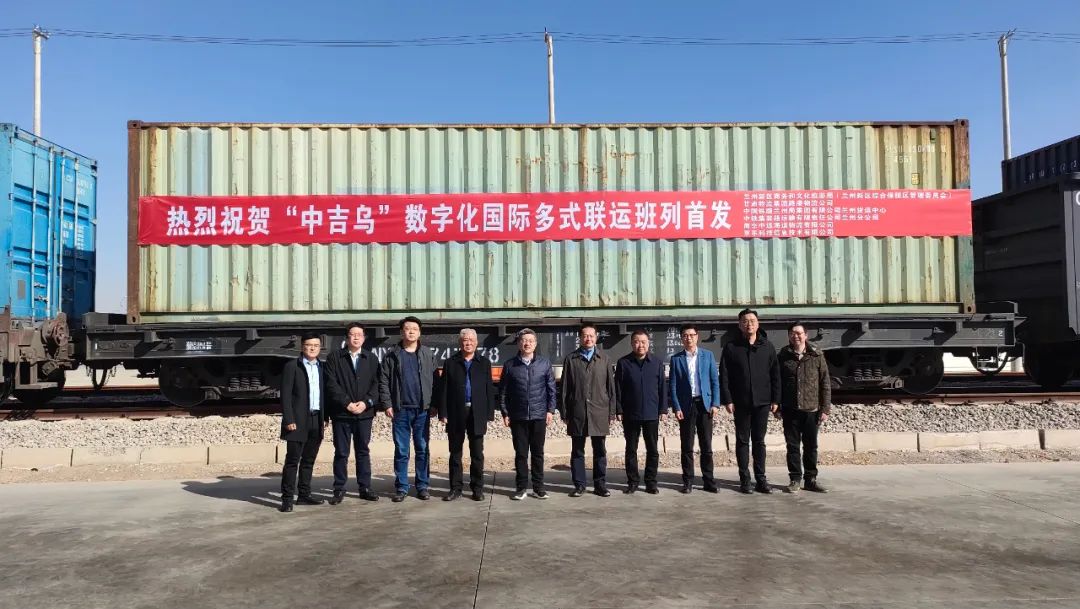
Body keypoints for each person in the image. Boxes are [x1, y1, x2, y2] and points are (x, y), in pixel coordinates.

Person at [721, 308, 781, 495]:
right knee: (742, 441)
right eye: (745, 321)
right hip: (741, 402)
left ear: (758, 323)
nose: (749, 324)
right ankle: (745, 480)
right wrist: (728, 399)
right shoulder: (731, 347)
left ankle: (761, 479)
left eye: (752, 321)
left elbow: (775, 375)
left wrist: (775, 399)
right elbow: (724, 376)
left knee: (759, 441)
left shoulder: (767, 347)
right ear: (739, 325)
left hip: (762, 402)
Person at [379, 316, 437, 503]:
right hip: (400, 410)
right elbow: (384, 381)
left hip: (422, 410)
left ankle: (422, 486)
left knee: (422, 449)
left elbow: (435, 381)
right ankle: (402, 487)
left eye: (414, 329)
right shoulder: (392, 355)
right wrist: (387, 404)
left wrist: (434, 404)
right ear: (401, 332)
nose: (411, 332)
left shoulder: (427, 354)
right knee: (402, 450)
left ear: (419, 333)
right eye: (407, 328)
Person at [436, 328, 497, 502]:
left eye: (471, 340)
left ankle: (477, 488)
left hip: (477, 412)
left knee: (477, 453)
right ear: (460, 343)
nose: (468, 343)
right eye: (465, 340)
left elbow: (489, 389)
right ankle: (455, 488)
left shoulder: (484, 363)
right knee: (455, 452)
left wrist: (489, 413)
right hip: (456, 412)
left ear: (476, 343)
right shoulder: (451, 363)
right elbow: (444, 389)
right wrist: (443, 412)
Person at [324, 322, 381, 504]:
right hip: (342, 414)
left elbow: (377, 385)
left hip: (364, 414)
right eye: (352, 334)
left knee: (363, 451)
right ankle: (339, 488)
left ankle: (365, 487)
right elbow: (331, 384)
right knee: (341, 452)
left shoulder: (371, 358)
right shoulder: (335, 358)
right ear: (346, 338)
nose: (356, 337)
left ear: (364, 338)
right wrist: (346, 403)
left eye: (359, 334)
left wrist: (366, 403)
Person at [499, 329, 556, 501]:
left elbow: (551, 389)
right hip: (518, 416)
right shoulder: (510, 365)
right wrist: (505, 412)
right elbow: (503, 392)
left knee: (538, 453)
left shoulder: (544, 364)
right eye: (524, 340)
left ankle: (539, 488)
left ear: (535, 344)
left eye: (531, 340)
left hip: (539, 415)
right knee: (521, 454)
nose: (527, 343)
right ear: (519, 344)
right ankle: (521, 488)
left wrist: (550, 410)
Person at [560, 324, 617, 497]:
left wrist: (611, 412)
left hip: (599, 411)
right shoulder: (571, 359)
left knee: (600, 450)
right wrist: (564, 412)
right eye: (585, 336)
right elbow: (564, 388)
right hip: (577, 411)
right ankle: (579, 485)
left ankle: (600, 485)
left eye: (591, 335)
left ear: (596, 337)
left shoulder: (604, 359)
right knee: (577, 451)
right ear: (580, 337)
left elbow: (611, 388)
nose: (588, 339)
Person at [777, 322, 831, 493]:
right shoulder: (783, 355)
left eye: (799, 333)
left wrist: (825, 408)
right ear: (789, 336)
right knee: (792, 446)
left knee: (811, 447)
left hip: (811, 409)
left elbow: (825, 382)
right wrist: (777, 405)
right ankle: (794, 479)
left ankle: (811, 480)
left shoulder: (816, 355)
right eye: (792, 333)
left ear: (806, 335)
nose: (796, 336)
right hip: (790, 409)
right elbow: (777, 382)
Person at [669, 323, 721, 494]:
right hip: (686, 406)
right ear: (681, 338)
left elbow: (714, 381)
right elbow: (673, 386)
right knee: (687, 446)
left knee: (706, 446)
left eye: (691, 335)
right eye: (685, 335)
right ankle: (688, 481)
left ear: (697, 337)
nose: (688, 338)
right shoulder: (676, 359)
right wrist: (676, 407)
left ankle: (709, 480)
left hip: (704, 405)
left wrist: (715, 403)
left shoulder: (708, 355)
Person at [279, 331, 327, 512]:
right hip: (297, 420)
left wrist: (325, 417)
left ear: (320, 348)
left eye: (316, 345)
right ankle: (287, 499)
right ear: (302, 346)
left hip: (316, 419)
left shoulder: (322, 367)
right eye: (309, 345)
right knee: (292, 461)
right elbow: (285, 395)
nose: (312, 348)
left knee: (308, 460)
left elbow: (324, 394)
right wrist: (288, 419)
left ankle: (304, 495)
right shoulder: (292, 366)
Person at [614, 329, 667, 494]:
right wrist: (618, 409)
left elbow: (662, 388)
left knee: (653, 450)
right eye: (637, 342)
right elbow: (618, 389)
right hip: (630, 413)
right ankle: (633, 482)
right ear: (632, 343)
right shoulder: (623, 363)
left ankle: (651, 482)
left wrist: (663, 409)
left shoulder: (657, 363)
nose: (640, 345)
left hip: (651, 413)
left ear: (648, 343)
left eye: (643, 342)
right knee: (631, 449)